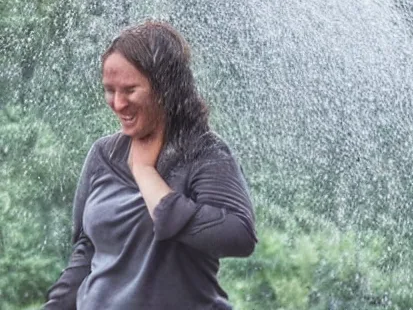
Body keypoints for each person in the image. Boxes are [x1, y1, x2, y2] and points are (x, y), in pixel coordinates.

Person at [44, 21, 257, 310]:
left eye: (130, 90)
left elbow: (239, 236)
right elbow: (87, 250)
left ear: (164, 89)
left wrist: (146, 174)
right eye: (109, 90)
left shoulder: (204, 153)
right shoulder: (103, 154)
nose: (117, 103)